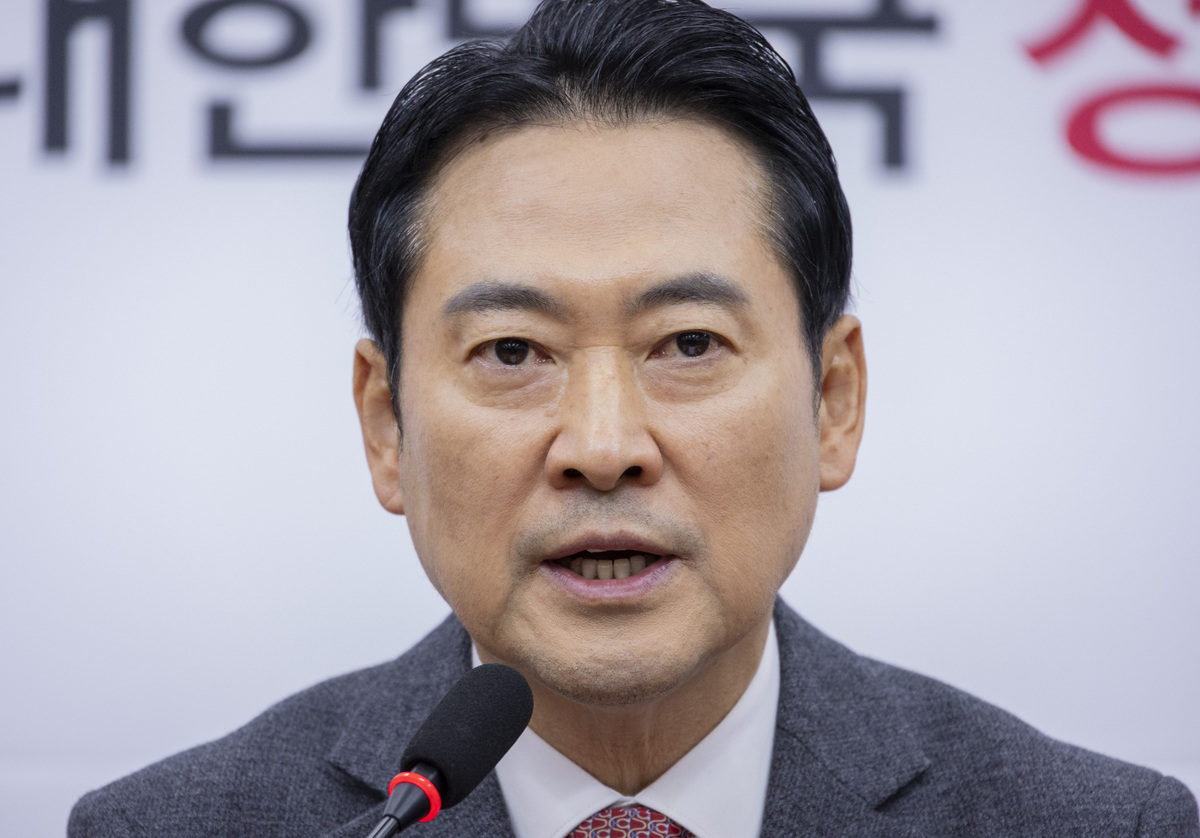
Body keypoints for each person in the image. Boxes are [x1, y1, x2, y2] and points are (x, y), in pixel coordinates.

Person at [69, 0, 1199, 836]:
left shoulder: (1097, 824)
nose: (603, 448)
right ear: (386, 425)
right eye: (513, 352)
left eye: (689, 345)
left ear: (833, 399)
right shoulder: (172, 827)